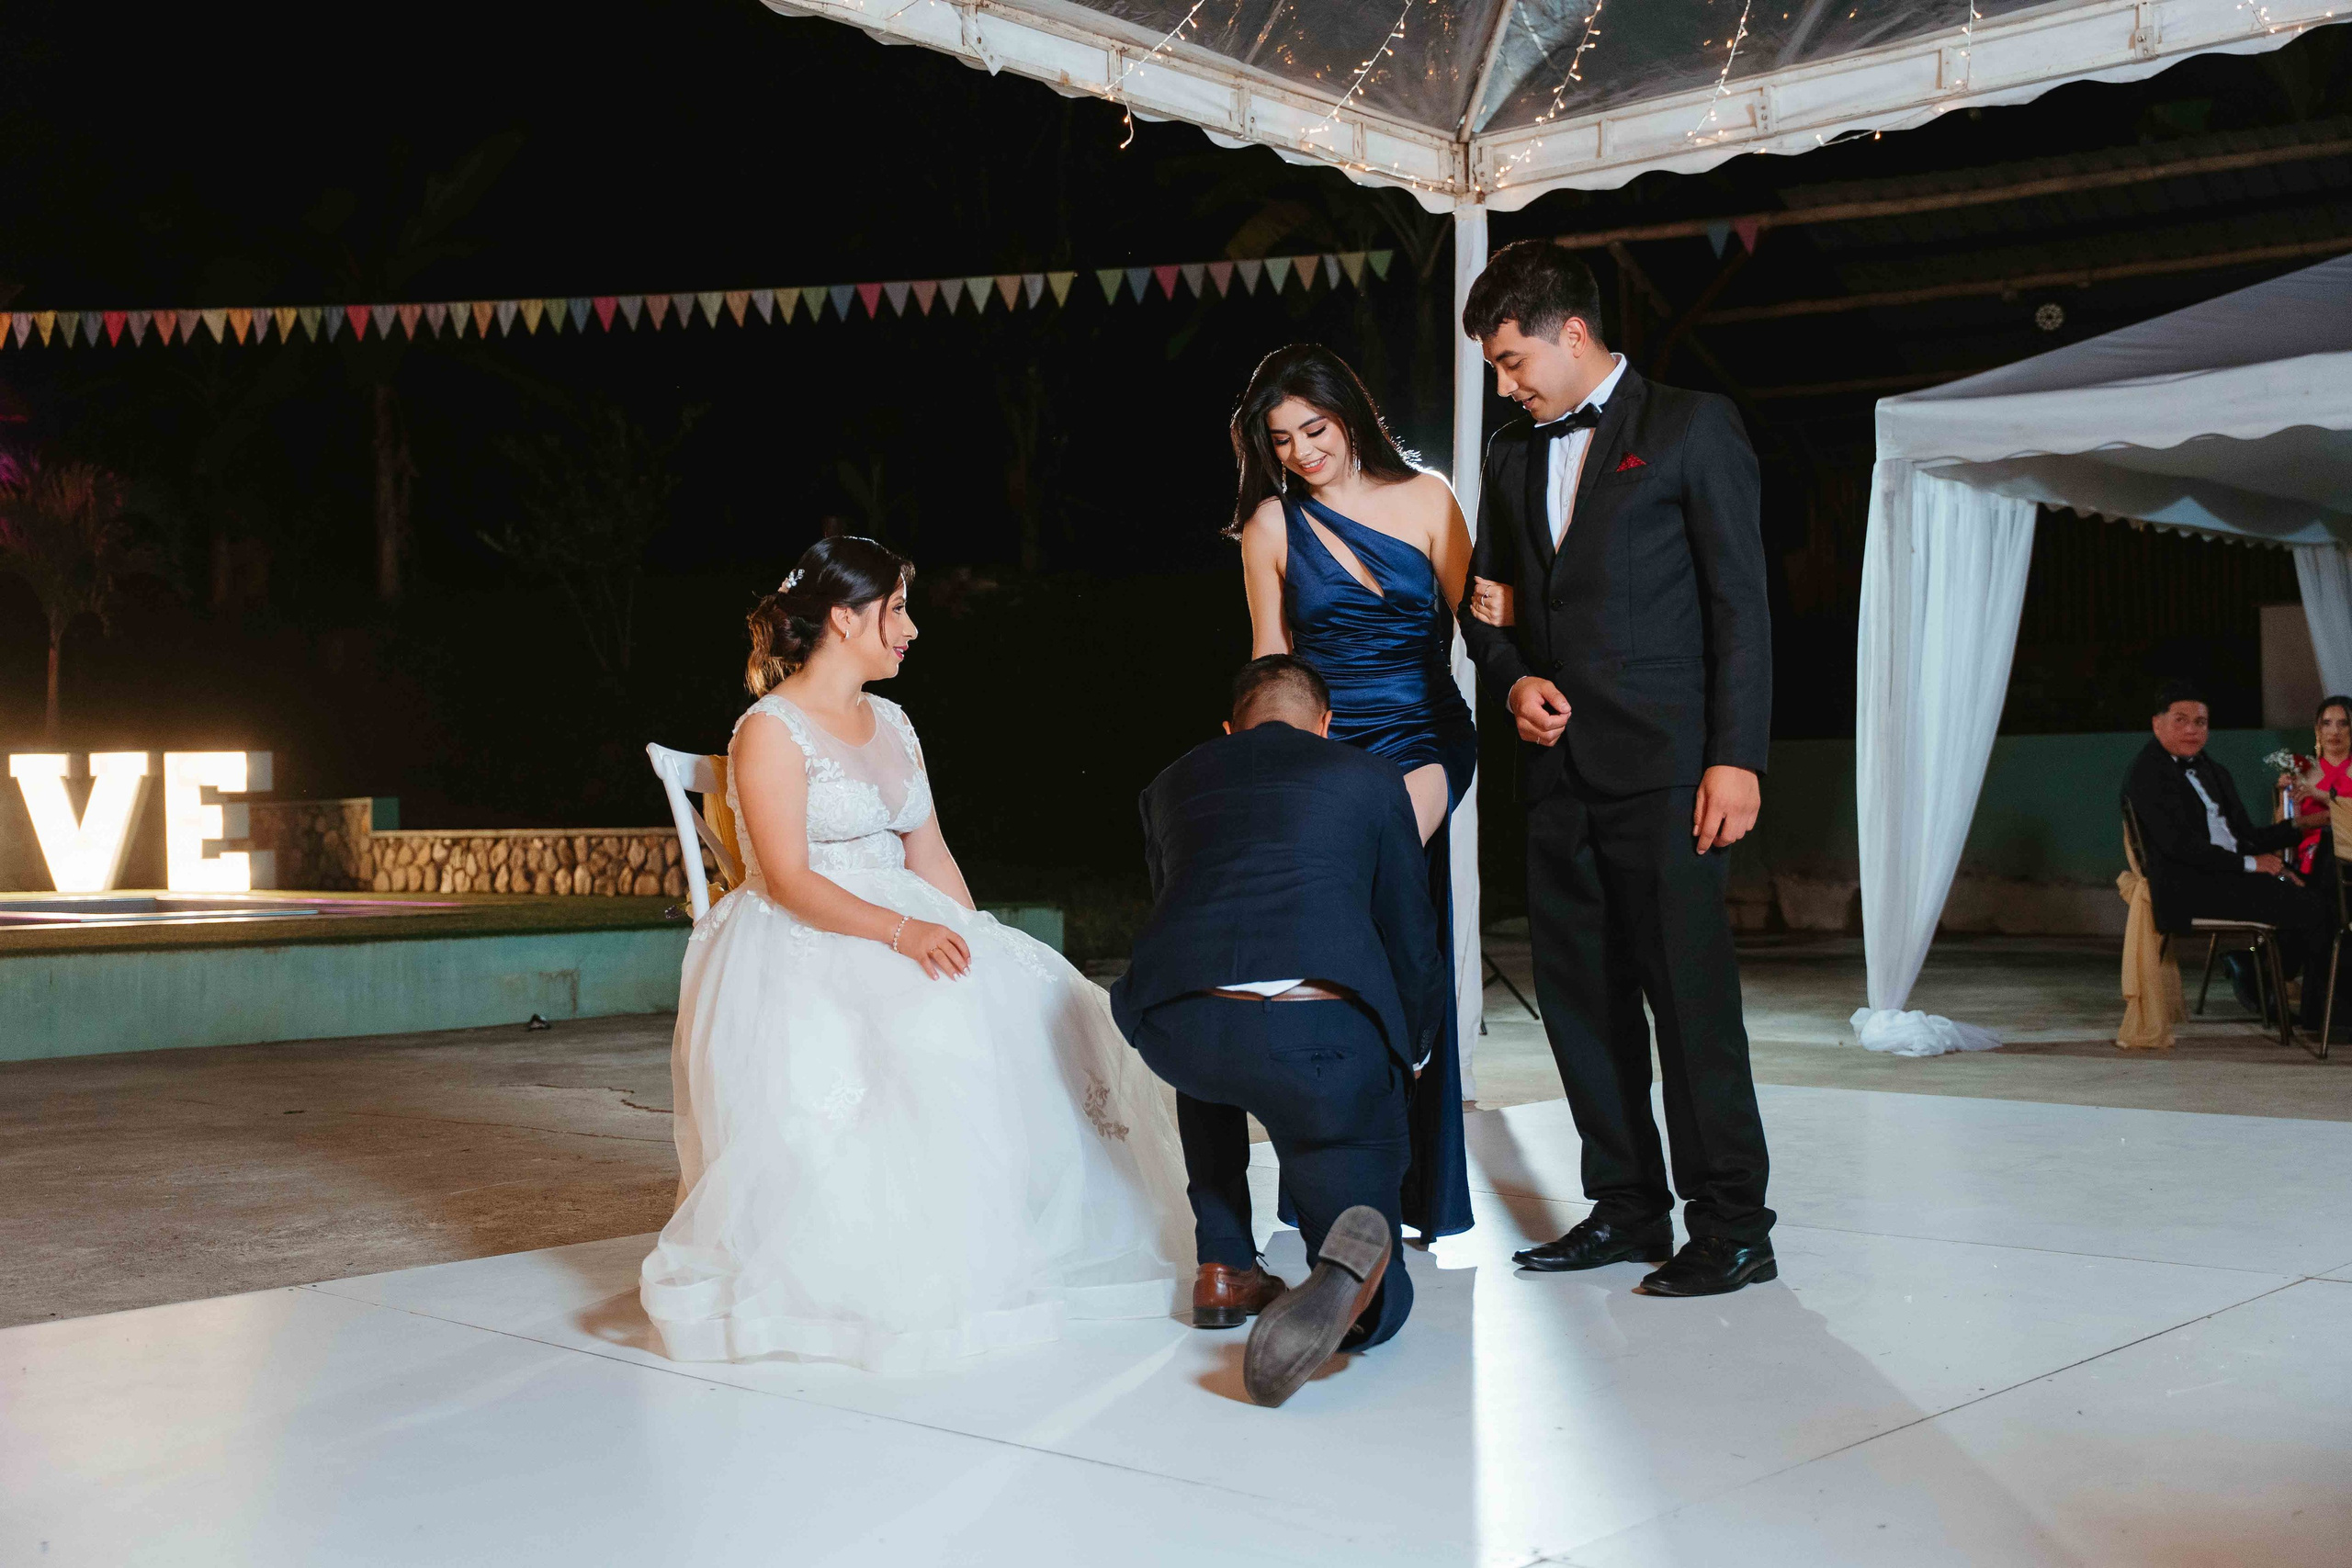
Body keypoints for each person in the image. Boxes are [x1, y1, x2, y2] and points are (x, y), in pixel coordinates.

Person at [640, 536, 1188, 1373]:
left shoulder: (893, 720)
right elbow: (783, 877)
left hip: (903, 911)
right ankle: (906, 1255)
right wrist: (903, 933)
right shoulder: (769, 730)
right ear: (843, 616)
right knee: (932, 1011)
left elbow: (929, 854)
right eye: (896, 609)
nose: (911, 629)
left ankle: (1019, 1227)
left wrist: (978, 937)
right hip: (810, 929)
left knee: (1041, 995)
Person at [1457, 239, 1777, 1299]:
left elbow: (1741, 608)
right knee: (1582, 1004)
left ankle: (1733, 1225)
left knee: (1689, 1008)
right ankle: (1627, 1210)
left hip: (1670, 772)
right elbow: (1487, 607)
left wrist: (1734, 759)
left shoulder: (1691, 426)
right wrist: (1508, 680)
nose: (1504, 385)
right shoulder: (1508, 456)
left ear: (1574, 333)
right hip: (1555, 776)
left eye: (1510, 361)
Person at [1111, 655, 1451, 1408]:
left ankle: (1224, 1266)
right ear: (1327, 725)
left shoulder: (1173, 781)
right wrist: (1412, 1049)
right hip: (1319, 1046)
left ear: (1230, 729)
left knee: (1213, 1061)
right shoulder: (1368, 778)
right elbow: (1409, 931)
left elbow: (1184, 903)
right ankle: (1347, 1294)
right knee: (1371, 1266)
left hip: (1181, 1024)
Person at [1229, 344, 1476, 1245]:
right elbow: (1270, 662)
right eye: (1283, 439)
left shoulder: (1427, 500)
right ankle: (1337, 1178)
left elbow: (1486, 623)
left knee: (1397, 932)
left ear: (1349, 415)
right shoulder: (1270, 527)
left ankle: (1416, 1188)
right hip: (1329, 747)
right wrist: (1266, 771)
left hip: (1424, 736)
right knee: (1340, 950)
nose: (1301, 450)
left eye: (1314, 428)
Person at [2124, 679, 2334, 1031]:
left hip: (2226, 874)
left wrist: (2300, 825)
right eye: (2181, 720)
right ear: (2157, 723)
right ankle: (2317, 1017)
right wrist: (2254, 865)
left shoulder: (2212, 769)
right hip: (2187, 885)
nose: (2192, 729)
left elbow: (2246, 837)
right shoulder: (2148, 773)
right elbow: (2179, 848)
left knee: (2318, 896)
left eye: (2201, 722)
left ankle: (2261, 975)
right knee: (2314, 909)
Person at [2278, 694, 2352, 879]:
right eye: (2327, 723)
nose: (2335, 731)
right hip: (2312, 858)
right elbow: (2282, 829)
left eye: (2343, 723)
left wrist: (2320, 794)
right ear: (2318, 729)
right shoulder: (2301, 772)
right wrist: (2284, 796)